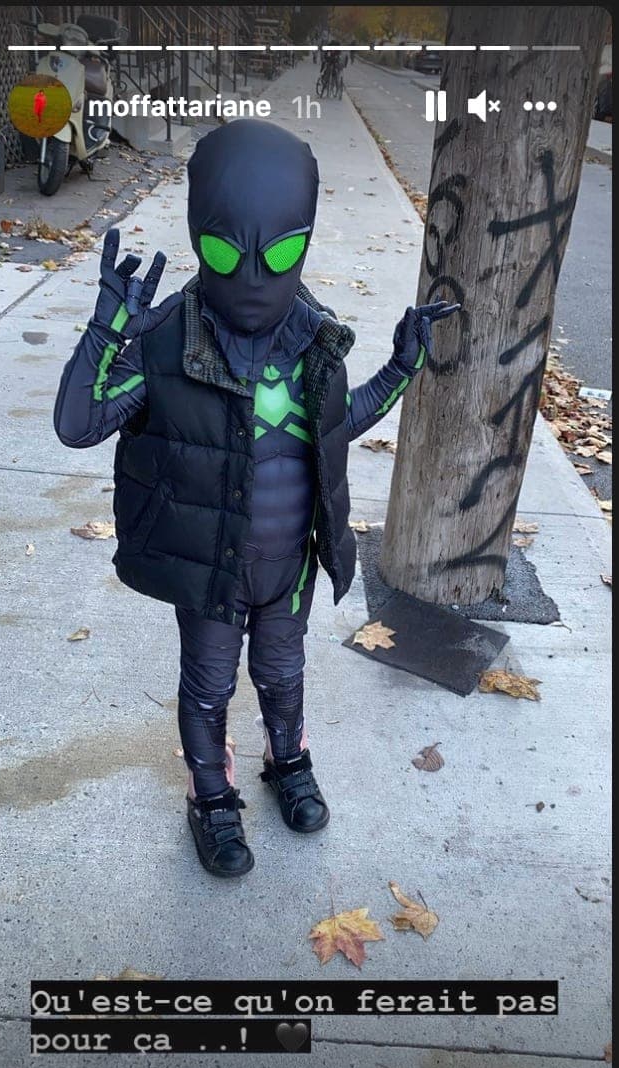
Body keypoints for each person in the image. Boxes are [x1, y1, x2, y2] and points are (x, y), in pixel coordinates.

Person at [53, 120, 460, 879]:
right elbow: (79, 424)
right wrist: (106, 331)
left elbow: (338, 423)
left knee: (282, 672)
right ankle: (210, 793)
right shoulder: (165, 342)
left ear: (301, 242)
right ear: (196, 235)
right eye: (221, 253)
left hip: (289, 567)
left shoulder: (314, 339)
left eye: (275, 256)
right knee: (208, 685)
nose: (250, 278)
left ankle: (289, 758)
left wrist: (401, 367)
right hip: (211, 571)